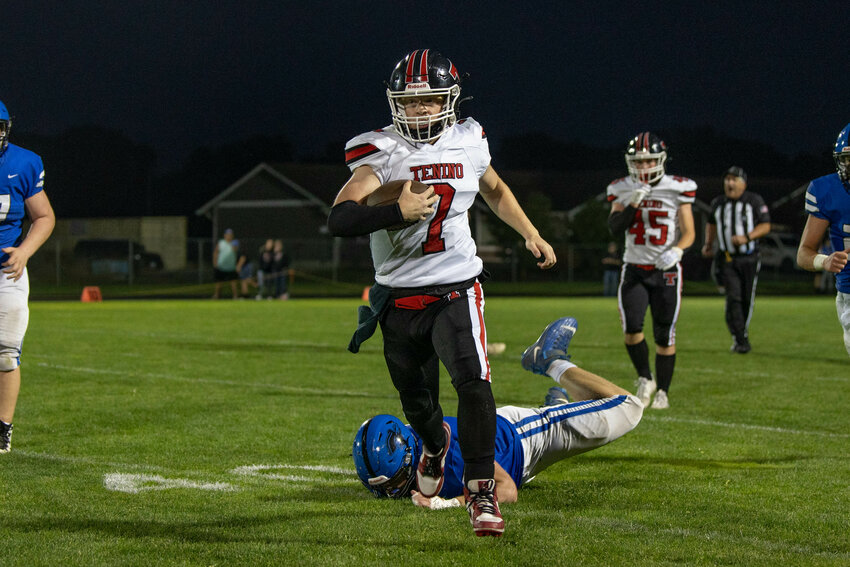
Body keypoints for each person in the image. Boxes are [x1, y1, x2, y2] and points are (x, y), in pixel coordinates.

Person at [329, 49, 557, 536]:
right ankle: (434, 445)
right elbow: (340, 217)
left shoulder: (469, 140)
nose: (420, 111)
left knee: (473, 382)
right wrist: (396, 210)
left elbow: (493, 188)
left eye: (430, 101)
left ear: (449, 100)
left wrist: (529, 232)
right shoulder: (381, 151)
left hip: (455, 286)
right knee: (417, 403)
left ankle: (480, 492)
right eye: (410, 103)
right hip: (396, 298)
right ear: (396, 105)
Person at [353, 317, 643, 520]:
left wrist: (445, 504)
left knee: (629, 407)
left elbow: (506, 491)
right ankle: (557, 404)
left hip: (527, 438)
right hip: (508, 446)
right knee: (592, 412)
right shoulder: (410, 444)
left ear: (411, 453)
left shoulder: (450, 453)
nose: (394, 492)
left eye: (396, 481)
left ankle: (550, 360)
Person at [606, 132, 696, 410]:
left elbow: (690, 232)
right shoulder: (621, 188)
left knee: (664, 334)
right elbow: (614, 228)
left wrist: (678, 250)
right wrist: (633, 202)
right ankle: (645, 378)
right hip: (634, 269)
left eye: (649, 161)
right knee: (632, 329)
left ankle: (663, 392)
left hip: (665, 270)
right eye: (639, 162)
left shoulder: (678, 187)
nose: (644, 167)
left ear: (661, 160)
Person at [0, 100, 56, 453]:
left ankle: (2, 427)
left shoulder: (23, 162)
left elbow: (44, 216)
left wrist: (24, 251)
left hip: (6, 269)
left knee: (5, 353)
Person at [701, 167, 771, 354]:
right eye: (727, 179)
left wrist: (747, 237)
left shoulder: (754, 201)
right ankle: (740, 338)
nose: (730, 183)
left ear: (743, 183)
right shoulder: (718, 203)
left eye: (734, 179)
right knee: (734, 298)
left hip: (750, 257)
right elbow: (711, 223)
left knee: (746, 299)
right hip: (728, 258)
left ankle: (740, 333)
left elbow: (765, 225)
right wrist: (708, 243)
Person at [797, 123, 850, 357]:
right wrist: (825, 261)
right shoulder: (827, 190)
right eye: (846, 158)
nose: (848, 165)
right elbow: (804, 253)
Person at [212, 228, 238, 299]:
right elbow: (216, 252)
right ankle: (216, 295)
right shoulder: (221, 243)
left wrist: (232, 244)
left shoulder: (234, 242)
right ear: (225, 235)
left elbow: (235, 250)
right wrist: (215, 263)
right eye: (227, 235)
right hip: (221, 266)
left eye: (230, 235)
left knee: (233, 282)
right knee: (219, 282)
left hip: (231, 267)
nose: (229, 236)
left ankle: (235, 296)